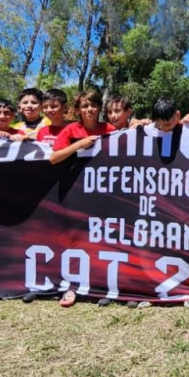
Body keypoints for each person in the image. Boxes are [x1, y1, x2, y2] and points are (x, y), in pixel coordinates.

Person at [50, 90, 115, 307]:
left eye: (93, 105)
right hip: (75, 194)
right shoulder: (71, 130)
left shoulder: (110, 130)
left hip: (105, 195)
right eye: (85, 106)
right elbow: (54, 158)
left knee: (105, 240)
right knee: (76, 240)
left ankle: (104, 285)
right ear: (78, 110)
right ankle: (72, 287)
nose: (90, 110)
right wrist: (79, 144)